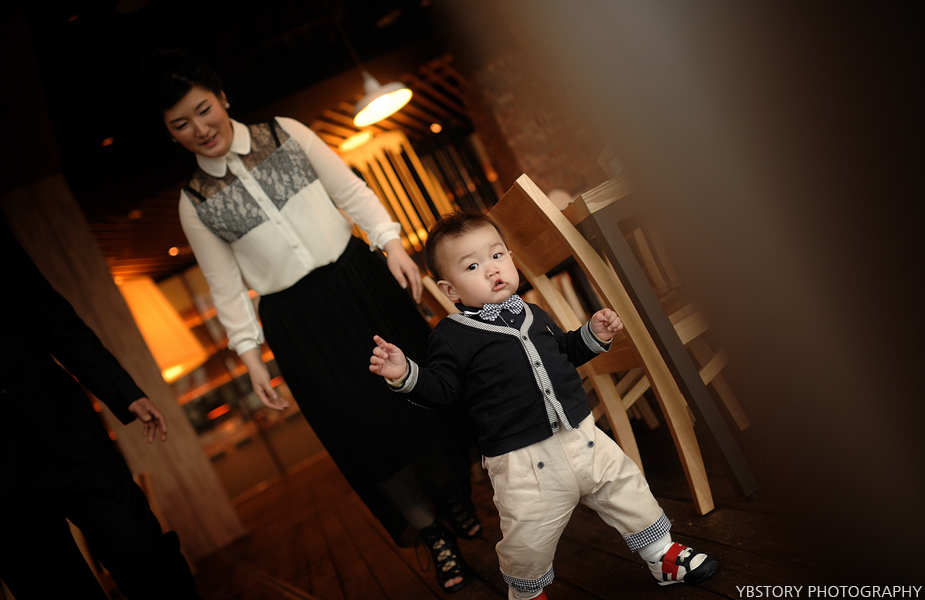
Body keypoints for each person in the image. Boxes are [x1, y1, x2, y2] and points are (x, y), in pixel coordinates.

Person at [145, 51, 478, 592]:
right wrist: (250, 357)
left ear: (223, 98)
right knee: (361, 429)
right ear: (170, 133)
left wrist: (390, 242)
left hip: (361, 284)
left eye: (203, 110)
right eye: (181, 124)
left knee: (417, 396)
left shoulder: (286, 133)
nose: (199, 129)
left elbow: (351, 191)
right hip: (298, 324)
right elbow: (225, 286)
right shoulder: (195, 201)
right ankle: (432, 532)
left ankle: (452, 494)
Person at [369, 212, 719, 600]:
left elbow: (564, 351)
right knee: (527, 537)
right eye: (472, 266)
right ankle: (527, 594)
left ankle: (662, 556)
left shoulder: (534, 313)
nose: (491, 269)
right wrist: (406, 374)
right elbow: (443, 390)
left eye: (497, 256)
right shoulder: (452, 337)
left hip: (583, 436)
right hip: (522, 462)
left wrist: (593, 334)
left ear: (511, 258)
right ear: (450, 290)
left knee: (627, 488)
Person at [0, 216, 201, 599]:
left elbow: (55, 320)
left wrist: (124, 392)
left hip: (67, 434)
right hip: (4, 491)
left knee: (145, 553)